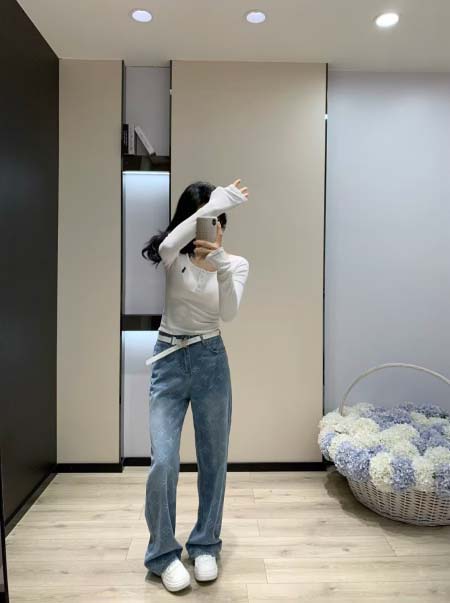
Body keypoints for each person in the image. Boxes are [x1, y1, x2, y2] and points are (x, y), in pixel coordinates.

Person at [141, 178, 250, 592]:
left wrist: (219, 263)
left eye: (218, 218)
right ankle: (162, 553)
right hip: (169, 360)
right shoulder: (174, 257)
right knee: (164, 461)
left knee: (213, 459)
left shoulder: (235, 264)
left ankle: (205, 544)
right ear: (192, 220)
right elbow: (170, 243)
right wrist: (213, 202)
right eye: (206, 218)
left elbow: (229, 313)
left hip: (210, 361)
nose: (212, 225)